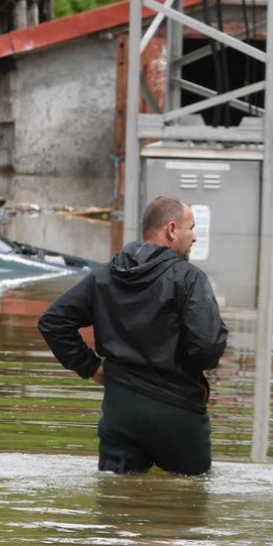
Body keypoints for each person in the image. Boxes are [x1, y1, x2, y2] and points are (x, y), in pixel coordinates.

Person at [37, 197, 228, 476]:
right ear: (172, 230)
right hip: (177, 411)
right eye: (192, 227)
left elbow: (53, 322)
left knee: (116, 503)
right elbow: (208, 349)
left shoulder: (106, 275)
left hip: (120, 410)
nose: (195, 236)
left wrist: (91, 367)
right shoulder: (188, 278)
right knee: (189, 501)